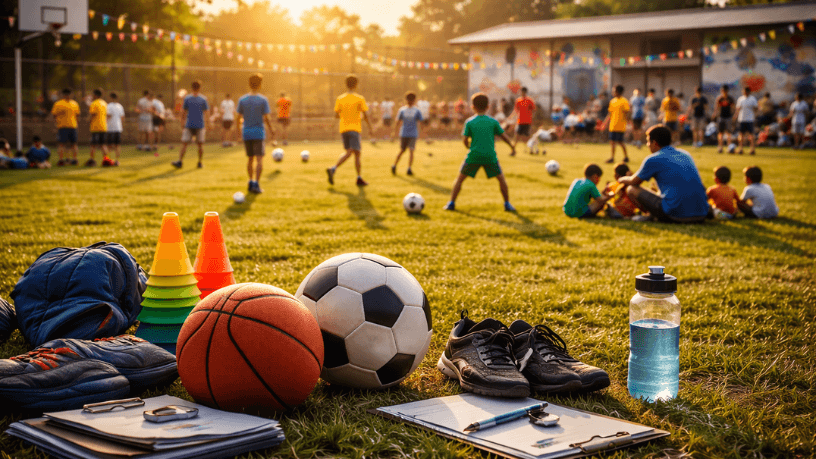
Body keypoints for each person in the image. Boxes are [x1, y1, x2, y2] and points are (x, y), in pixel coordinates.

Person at [617, 125, 709, 223]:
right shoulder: (685, 155)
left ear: (654, 143)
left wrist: (621, 179)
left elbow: (634, 181)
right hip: (701, 214)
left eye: (648, 141)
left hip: (675, 215)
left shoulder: (653, 159)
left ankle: (650, 215)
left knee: (631, 189)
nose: (647, 145)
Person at [444, 93, 516, 212]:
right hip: (490, 156)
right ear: (488, 106)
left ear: (473, 107)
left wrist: (468, 146)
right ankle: (507, 204)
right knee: (501, 180)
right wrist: (512, 147)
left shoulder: (470, 122)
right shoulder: (493, 122)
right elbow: (504, 136)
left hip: (473, 155)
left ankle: (451, 203)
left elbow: (465, 140)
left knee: (460, 179)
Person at [326, 75, 372, 186]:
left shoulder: (340, 98)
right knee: (351, 152)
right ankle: (333, 168)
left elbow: (336, 115)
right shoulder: (359, 98)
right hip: (354, 129)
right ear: (356, 85)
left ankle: (359, 178)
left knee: (356, 153)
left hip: (344, 129)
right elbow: (365, 115)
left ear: (346, 84)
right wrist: (370, 127)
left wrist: (332, 126)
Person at [237, 73, 275, 194]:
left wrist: (238, 133)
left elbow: (238, 118)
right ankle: (256, 184)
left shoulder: (242, 100)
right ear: (260, 85)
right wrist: (271, 130)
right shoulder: (263, 100)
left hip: (246, 132)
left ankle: (250, 181)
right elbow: (267, 118)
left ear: (249, 84)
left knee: (250, 159)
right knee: (259, 160)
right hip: (258, 133)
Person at [172, 80, 210, 169]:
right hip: (200, 125)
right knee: (200, 145)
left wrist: (182, 122)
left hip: (189, 124)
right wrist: (208, 124)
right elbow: (207, 113)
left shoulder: (187, 98)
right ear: (200, 88)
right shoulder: (203, 99)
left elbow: (183, 112)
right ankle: (200, 162)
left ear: (191, 88)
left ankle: (180, 161)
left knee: (184, 144)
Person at [392, 92, 423, 176]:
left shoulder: (414, 110)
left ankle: (407, 168)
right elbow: (398, 122)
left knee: (409, 151)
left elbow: (421, 122)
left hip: (411, 133)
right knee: (405, 150)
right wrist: (394, 132)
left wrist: (423, 133)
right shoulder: (403, 110)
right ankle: (396, 166)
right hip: (406, 133)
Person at [51, 88, 80, 166]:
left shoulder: (73, 103)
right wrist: (55, 126)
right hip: (64, 127)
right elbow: (54, 116)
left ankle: (72, 159)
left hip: (69, 126)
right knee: (64, 144)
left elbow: (77, 115)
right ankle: (64, 160)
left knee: (71, 144)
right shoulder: (60, 104)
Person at [602, 85, 630, 164]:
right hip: (613, 125)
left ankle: (626, 156)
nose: (613, 92)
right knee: (612, 142)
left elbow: (627, 113)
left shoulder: (624, 101)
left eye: (614, 91)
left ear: (617, 92)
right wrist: (605, 123)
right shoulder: (612, 101)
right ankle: (612, 157)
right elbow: (610, 113)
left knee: (620, 142)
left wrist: (628, 123)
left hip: (620, 125)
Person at [510, 87, 536, 155]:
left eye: (523, 92)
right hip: (520, 121)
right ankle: (513, 150)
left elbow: (533, 109)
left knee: (527, 137)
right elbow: (515, 110)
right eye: (521, 91)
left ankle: (531, 150)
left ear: (525, 92)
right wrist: (510, 117)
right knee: (517, 136)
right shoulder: (518, 100)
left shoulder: (529, 100)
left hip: (527, 121)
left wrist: (532, 118)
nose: (521, 93)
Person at [734, 86, 758, 155]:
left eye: (746, 91)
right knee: (741, 134)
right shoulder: (740, 99)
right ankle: (740, 148)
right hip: (741, 119)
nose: (744, 93)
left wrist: (755, 112)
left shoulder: (752, 99)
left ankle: (752, 149)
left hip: (750, 119)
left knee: (751, 135)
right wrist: (735, 116)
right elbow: (738, 109)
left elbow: (756, 108)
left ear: (749, 92)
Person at [87, 88, 108, 166]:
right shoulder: (104, 103)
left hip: (96, 127)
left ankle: (92, 160)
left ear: (95, 95)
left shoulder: (94, 103)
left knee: (93, 145)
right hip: (104, 126)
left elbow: (92, 114)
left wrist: (87, 120)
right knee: (103, 145)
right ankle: (106, 160)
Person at [714, 85, 735, 153]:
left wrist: (733, 116)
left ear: (727, 91)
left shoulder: (730, 99)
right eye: (722, 91)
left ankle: (730, 148)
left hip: (728, 117)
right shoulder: (719, 98)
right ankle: (720, 147)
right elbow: (717, 108)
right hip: (721, 117)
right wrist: (715, 115)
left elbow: (733, 108)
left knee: (728, 133)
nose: (724, 92)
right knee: (720, 133)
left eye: (725, 91)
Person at [105, 92, 124, 165]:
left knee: (109, 145)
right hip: (118, 128)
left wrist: (104, 121)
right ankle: (116, 161)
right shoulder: (120, 106)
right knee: (117, 145)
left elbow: (108, 115)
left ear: (111, 98)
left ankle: (108, 160)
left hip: (110, 128)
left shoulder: (109, 106)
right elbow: (122, 117)